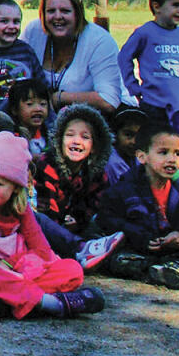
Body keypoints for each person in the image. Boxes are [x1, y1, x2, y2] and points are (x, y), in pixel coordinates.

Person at [0, 132, 105, 320]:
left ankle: (7, 302)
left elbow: (40, 247)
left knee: (72, 270)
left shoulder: (21, 207)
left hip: (21, 270)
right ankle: (52, 303)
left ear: (15, 187)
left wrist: (20, 267)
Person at [98, 125, 179, 289]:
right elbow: (107, 218)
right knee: (118, 260)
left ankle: (178, 268)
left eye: (177, 153)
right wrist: (139, 236)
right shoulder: (125, 188)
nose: (172, 159)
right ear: (142, 156)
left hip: (178, 248)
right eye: (163, 153)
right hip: (142, 249)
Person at [31, 104, 125, 268]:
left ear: (95, 146)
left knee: (102, 223)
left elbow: (93, 203)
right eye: (70, 135)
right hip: (45, 228)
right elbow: (46, 206)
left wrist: (78, 219)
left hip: (73, 227)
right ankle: (80, 249)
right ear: (59, 140)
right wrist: (61, 225)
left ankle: (116, 259)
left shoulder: (96, 172)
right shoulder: (47, 165)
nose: (76, 141)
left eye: (85, 137)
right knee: (39, 220)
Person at [20, 0, 130, 115]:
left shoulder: (99, 40)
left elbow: (109, 100)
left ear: (78, 13)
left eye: (65, 11)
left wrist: (59, 98)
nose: (57, 17)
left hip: (101, 117)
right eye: (51, 11)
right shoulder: (33, 31)